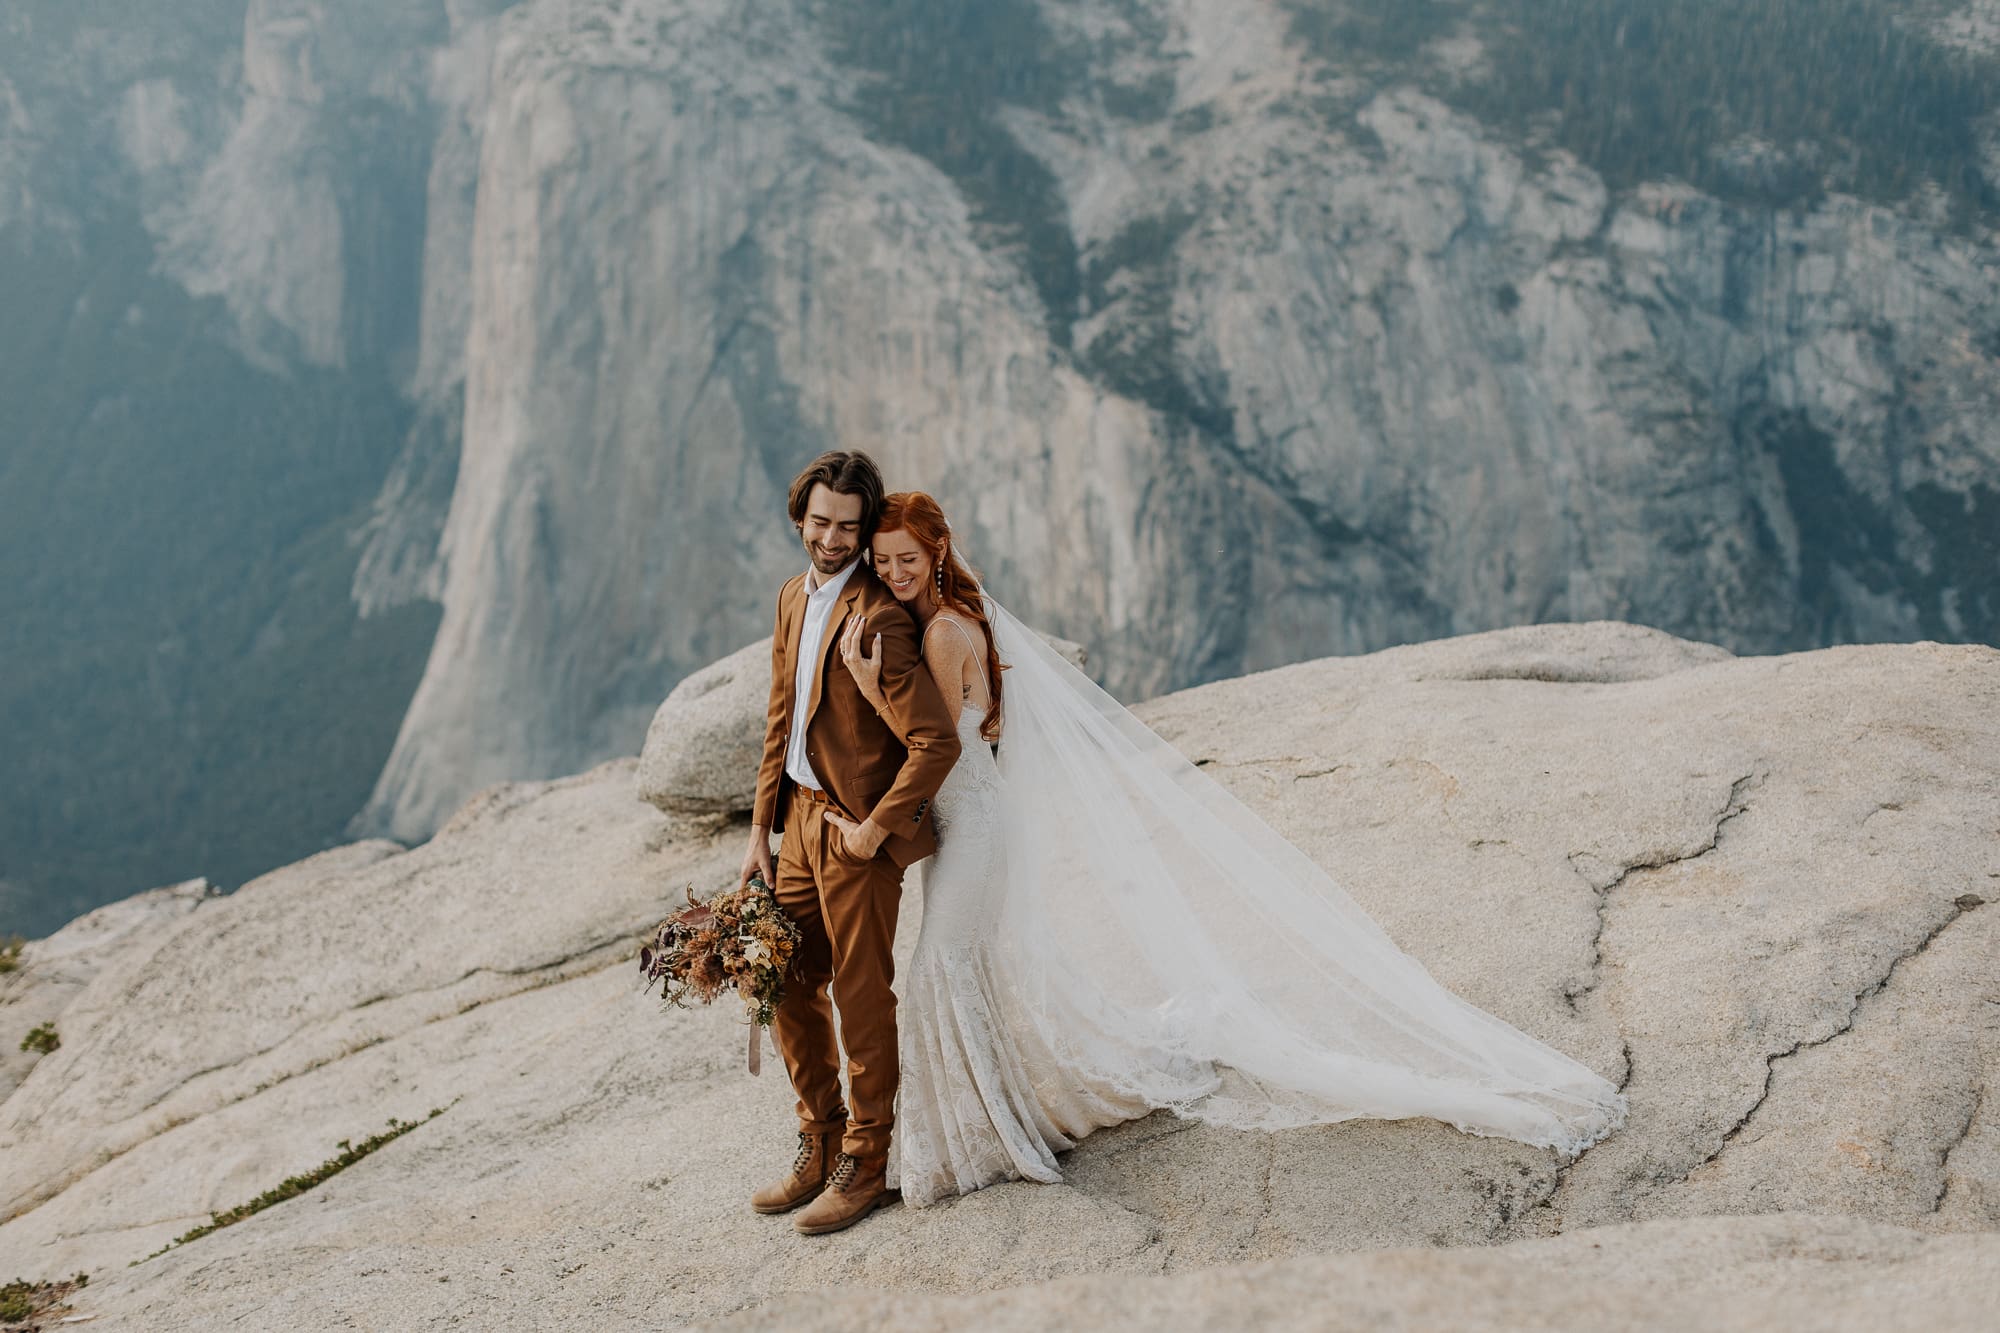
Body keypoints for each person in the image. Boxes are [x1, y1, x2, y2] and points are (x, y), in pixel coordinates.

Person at [835, 491, 1628, 1207]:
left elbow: (931, 744)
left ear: (939, 552)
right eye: (883, 561)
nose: (895, 571)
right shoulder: (960, 618)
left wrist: (871, 693)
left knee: (945, 963)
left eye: (908, 557)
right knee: (966, 965)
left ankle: (987, 1137)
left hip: (972, 827)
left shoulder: (942, 631)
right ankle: (989, 1124)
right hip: (976, 822)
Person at [740, 454, 960, 1235]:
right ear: (800, 517)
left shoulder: (879, 618)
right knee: (779, 976)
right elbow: (779, 716)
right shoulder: (792, 597)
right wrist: (760, 834)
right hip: (796, 823)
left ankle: (866, 1162)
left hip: (853, 833)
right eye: (820, 521)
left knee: (861, 996)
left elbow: (936, 743)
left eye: (847, 526)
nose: (831, 539)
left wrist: (875, 829)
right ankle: (821, 1132)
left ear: (864, 530)